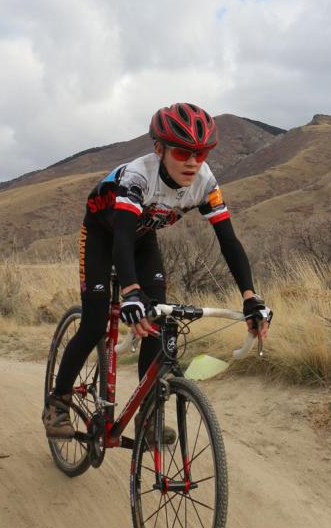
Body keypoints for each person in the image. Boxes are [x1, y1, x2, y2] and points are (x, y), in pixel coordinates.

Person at [43, 102, 272, 441]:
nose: (193, 162)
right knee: (94, 323)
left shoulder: (205, 183)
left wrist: (250, 297)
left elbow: (228, 240)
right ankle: (58, 402)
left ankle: (146, 416)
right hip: (104, 235)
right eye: (182, 152)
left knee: (158, 320)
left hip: (142, 237)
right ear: (160, 149)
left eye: (202, 152)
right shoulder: (138, 176)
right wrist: (130, 291)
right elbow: (120, 236)